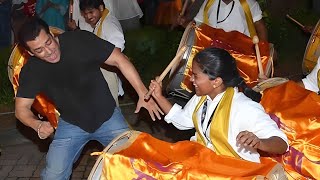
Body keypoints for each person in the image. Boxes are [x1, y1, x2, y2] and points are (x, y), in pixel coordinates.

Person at [15, 17, 162, 179]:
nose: (49, 51)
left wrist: (142, 92)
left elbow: (120, 59)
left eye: (48, 42)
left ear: (51, 34)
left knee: (136, 166)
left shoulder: (80, 40)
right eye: (39, 50)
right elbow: (21, 109)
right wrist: (37, 125)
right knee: (53, 175)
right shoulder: (31, 71)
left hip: (108, 117)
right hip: (71, 123)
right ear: (29, 52)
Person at [149, 47, 288, 163]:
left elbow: (281, 143)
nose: (191, 79)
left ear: (216, 82)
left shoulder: (244, 107)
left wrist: (260, 142)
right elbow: (183, 120)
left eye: (196, 76)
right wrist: (159, 97)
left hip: (236, 171)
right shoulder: (201, 98)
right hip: (206, 163)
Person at [75, 0, 125, 106]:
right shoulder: (101, 22)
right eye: (85, 14)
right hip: (103, 75)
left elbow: (117, 48)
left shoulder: (109, 23)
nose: (88, 16)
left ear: (101, 8)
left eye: (91, 12)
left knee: (110, 110)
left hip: (109, 74)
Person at [175, 0, 268, 41]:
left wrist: (263, 49)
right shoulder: (208, 2)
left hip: (241, 52)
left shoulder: (249, 3)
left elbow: (260, 26)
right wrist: (184, 23)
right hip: (213, 49)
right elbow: (198, 26)